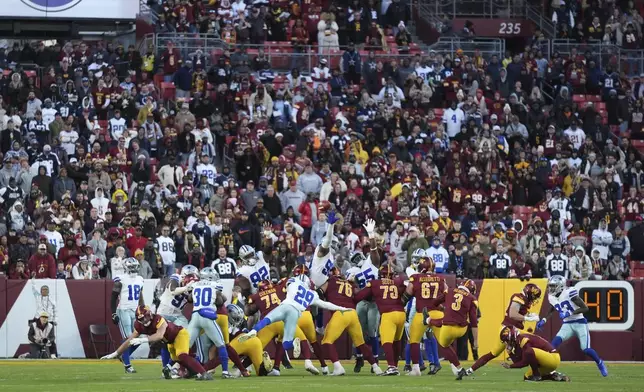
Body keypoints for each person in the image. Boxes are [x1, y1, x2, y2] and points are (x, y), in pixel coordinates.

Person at [238, 272, 350, 375]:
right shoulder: (311, 294)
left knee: (258, 342)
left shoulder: (290, 283)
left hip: (278, 314)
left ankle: (242, 368)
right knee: (306, 341)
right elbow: (325, 305)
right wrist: (341, 308)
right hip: (298, 315)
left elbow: (248, 311)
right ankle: (319, 365)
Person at [101, 305, 213, 381]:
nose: (145, 320)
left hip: (179, 334)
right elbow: (129, 340)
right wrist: (115, 354)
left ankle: (204, 374)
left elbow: (159, 335)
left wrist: (143, 339)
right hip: (169, 341)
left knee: (182, 355)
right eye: (142, 319)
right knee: (179, 359)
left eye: (146, 317)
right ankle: (194, 371)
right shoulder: (139, 325)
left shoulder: (159, 319)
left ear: (150, 314)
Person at [463, 283, 542, 377]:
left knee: (493, 354)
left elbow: (518, 313)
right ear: (529, 293)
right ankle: (539, 373)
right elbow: (513, 314)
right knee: (531, 349)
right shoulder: (519, 297)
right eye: (534, 296)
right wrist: (528, 318)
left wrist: (529, 315)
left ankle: (469, 371)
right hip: (509, 329)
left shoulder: (523, 299)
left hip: (510, 329)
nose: (534, 299)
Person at [537, 275, 608, 376]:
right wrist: (544, 320)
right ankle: (548, 369)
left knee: (586, 349)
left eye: (553, 286)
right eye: (550, 286)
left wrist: (569, 313)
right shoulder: (551, 297)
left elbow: (585, 308)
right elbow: (552, 308)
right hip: (567, 325)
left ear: (560, 286)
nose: (551, 288)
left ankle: (600, 363)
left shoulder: (569, 293)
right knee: (552, 345)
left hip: (580, 323)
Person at [318, 267, 382, 375]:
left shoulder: (331, 281)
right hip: (352, 313)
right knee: (361, 344)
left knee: (327, 341)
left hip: (340, 312)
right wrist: (369, 288)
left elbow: (320, 292)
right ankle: (376, 367)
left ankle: (338, 367)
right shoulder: (350, 284)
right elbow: (358, 296)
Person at [355, 264, 406, 376]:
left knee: (386, 341)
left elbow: (359, 296)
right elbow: (407, 293)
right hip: (401, 314)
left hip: (388, 314)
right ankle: (395, 366)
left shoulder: (375, 283)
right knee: (396, 341)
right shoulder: (398, 282)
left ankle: (391, 367)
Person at [184, 266, 233, 378]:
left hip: (195, 315)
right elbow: (220, 301)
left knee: (185, 346)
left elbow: (190, 299)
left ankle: (175, 368)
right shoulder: (215, 285)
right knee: (221, 344)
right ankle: (225, 372)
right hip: (207, 314)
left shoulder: (195, 284)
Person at [403, 255, 446, 376]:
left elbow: (407, 294)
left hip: (418, 308)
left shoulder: (414, 275)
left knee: (413, 338)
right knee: (436, 338)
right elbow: (446, 293)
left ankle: (416, 365)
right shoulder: (439, 277)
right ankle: (443, 364)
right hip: (435, 309)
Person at [110, 257, 145, 373]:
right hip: (123, 310)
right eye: (131, 267)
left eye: (135, 266)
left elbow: (140, 296)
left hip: (135, 311)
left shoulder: (140, 279)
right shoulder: (120, 279)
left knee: (139, 339)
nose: (134, 269)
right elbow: (113, 297)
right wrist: (113, 313)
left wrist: (143, 309)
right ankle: (127, 364)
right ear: (126, 267)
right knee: (128, 338)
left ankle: (122, 355)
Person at [498, 326, 569, 381]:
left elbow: (525, 362)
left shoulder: (523, 340)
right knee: (527, 377)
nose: (507, 343)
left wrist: (510, 366)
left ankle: (537, 375)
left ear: (511, 338)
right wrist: (510, 353)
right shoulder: (519, 342)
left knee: (529, 351)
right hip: (545, 362)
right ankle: (554, 376)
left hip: (552, 358)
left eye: (507, 341)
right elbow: (519, 362)